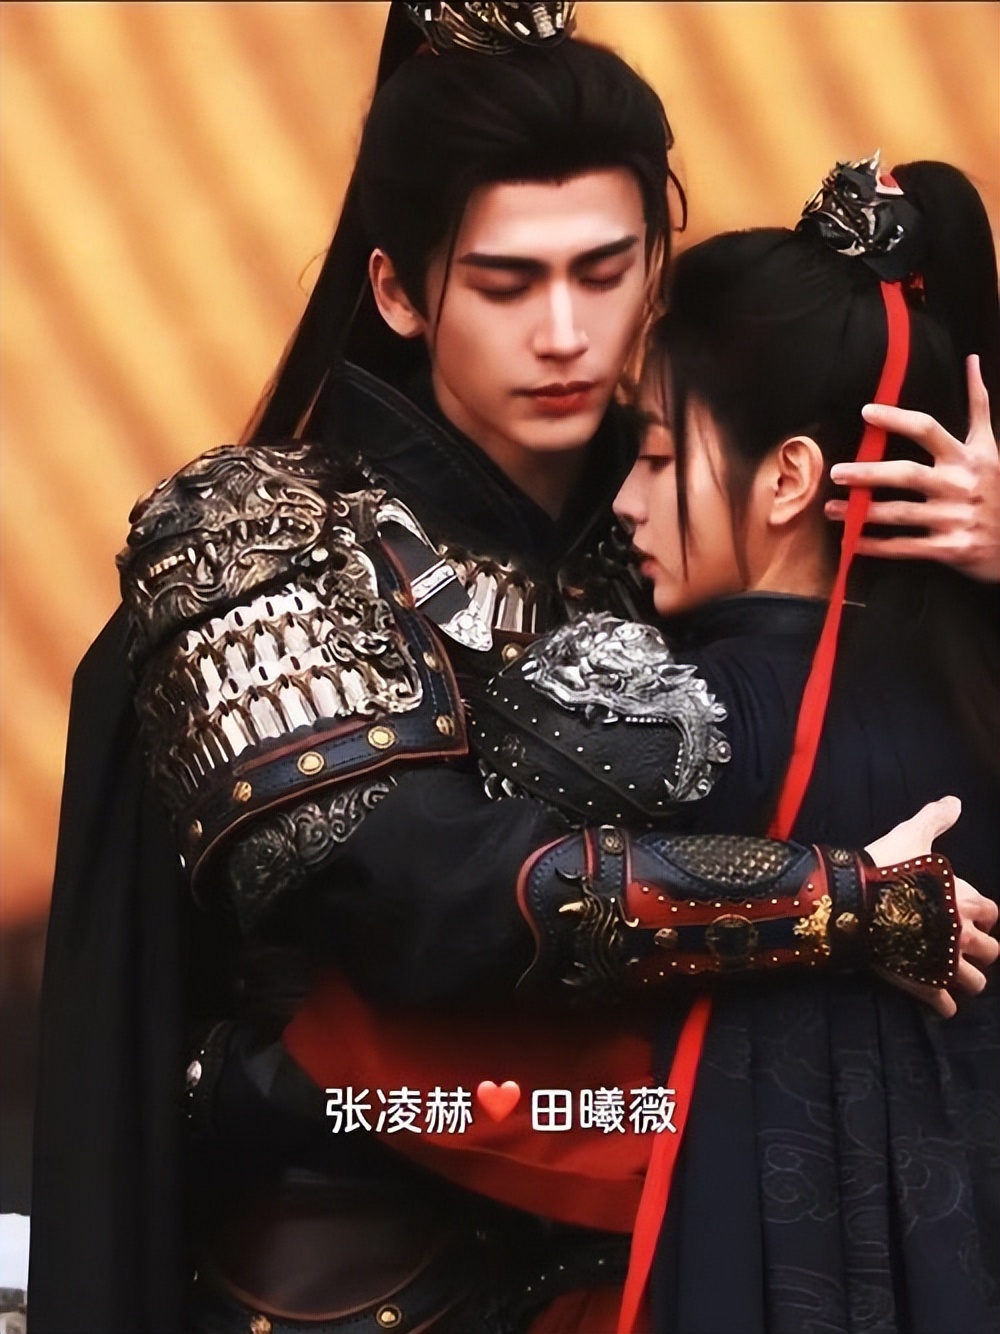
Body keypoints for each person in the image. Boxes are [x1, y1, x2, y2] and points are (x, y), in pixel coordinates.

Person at [28, 3, 1000, 1331]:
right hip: (347, 1285)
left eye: (605, 273)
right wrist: (841, 904)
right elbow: (426, 893)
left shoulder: (687, 533)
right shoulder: (250, 532)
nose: (565, 332)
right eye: (506, 283)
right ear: (398, 289)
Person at [468, 154, 1000, 1331]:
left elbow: (451, 862)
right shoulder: (971, 692)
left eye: (657, 456)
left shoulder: (684, 715)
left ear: (790, 477)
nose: (625, 500)